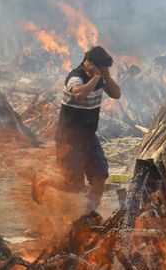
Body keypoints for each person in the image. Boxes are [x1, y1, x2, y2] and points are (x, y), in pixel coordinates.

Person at [39, 46, 122, 211]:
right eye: (102, 67)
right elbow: (79, 94)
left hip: (89, 138)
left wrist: (106, 77)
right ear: (89, 64)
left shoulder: (100, 77)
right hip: (68, 140)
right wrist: (97, 76)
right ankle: (43, 180)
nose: (104, 71)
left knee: (100, 176)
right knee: (74, 186)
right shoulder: (75, 77)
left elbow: (116, 94)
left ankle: (89, 215)